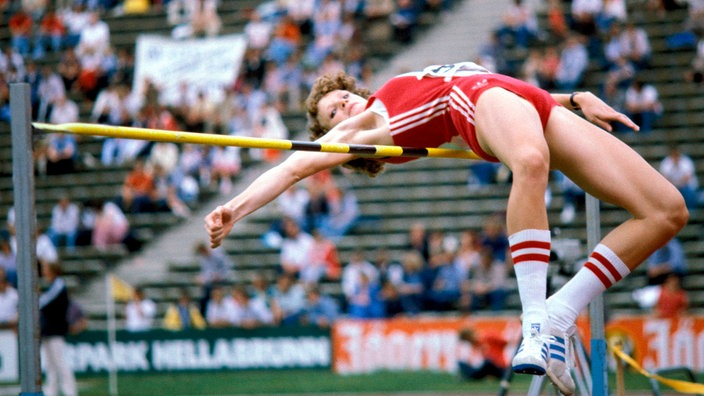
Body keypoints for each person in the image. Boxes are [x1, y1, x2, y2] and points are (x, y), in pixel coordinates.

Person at [205, 61, 688, 395]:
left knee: (666, 210)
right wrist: (234, 207)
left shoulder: (390, 90)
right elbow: (289, 169)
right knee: (529, 161)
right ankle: (536, 323)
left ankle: (560, 313)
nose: (346, 107)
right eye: (334, 111)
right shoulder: (356, 132)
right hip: (481, 101)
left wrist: (577, 97)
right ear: (332, 131)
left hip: (528, 101)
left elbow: (505, 86)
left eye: (345, 97)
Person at [39, 262, 77, 396]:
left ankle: (70, 391)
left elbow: (44, 303)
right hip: (49, 330)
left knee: (60, 363)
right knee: (51, 365)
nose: (44, 272)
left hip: (56, 330)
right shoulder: (53, 286)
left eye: (46, 268)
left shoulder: (59, 285)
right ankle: (51, 391)